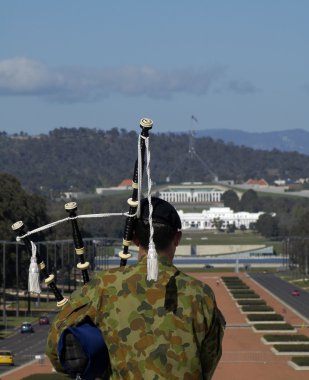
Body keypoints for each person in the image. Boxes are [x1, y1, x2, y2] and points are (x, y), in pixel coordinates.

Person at [46, 197, 225, 380]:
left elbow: (56, 345)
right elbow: (208, 363)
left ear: (133, 238)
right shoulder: (201, 295)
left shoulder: (104, 286)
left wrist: (96, 364)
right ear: (177, 238)